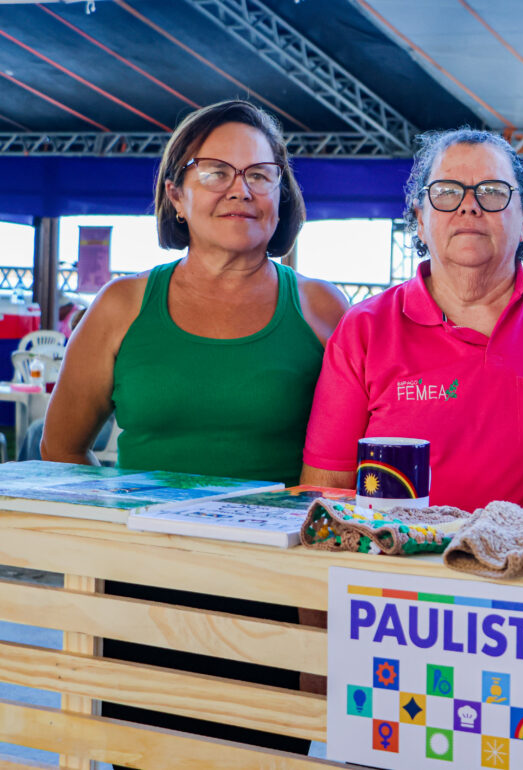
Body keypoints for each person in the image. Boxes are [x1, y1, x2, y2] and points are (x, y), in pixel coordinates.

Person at [40, 99, 348, 760]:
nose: (241, 189)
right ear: (176, 194)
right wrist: (118, 542)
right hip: (143, 593)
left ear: (281, 194)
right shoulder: (121, 305)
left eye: (260, 174)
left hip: (276, 598)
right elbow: (62, 451)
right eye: (215, 172)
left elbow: (345, 472)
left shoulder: (322, 308)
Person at [301, 128, 523, 513]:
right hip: (396, 552)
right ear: (420, 219)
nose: (469, 206)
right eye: (447, 192)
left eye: (492, 191)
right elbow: (326, 491)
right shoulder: (364, 329)